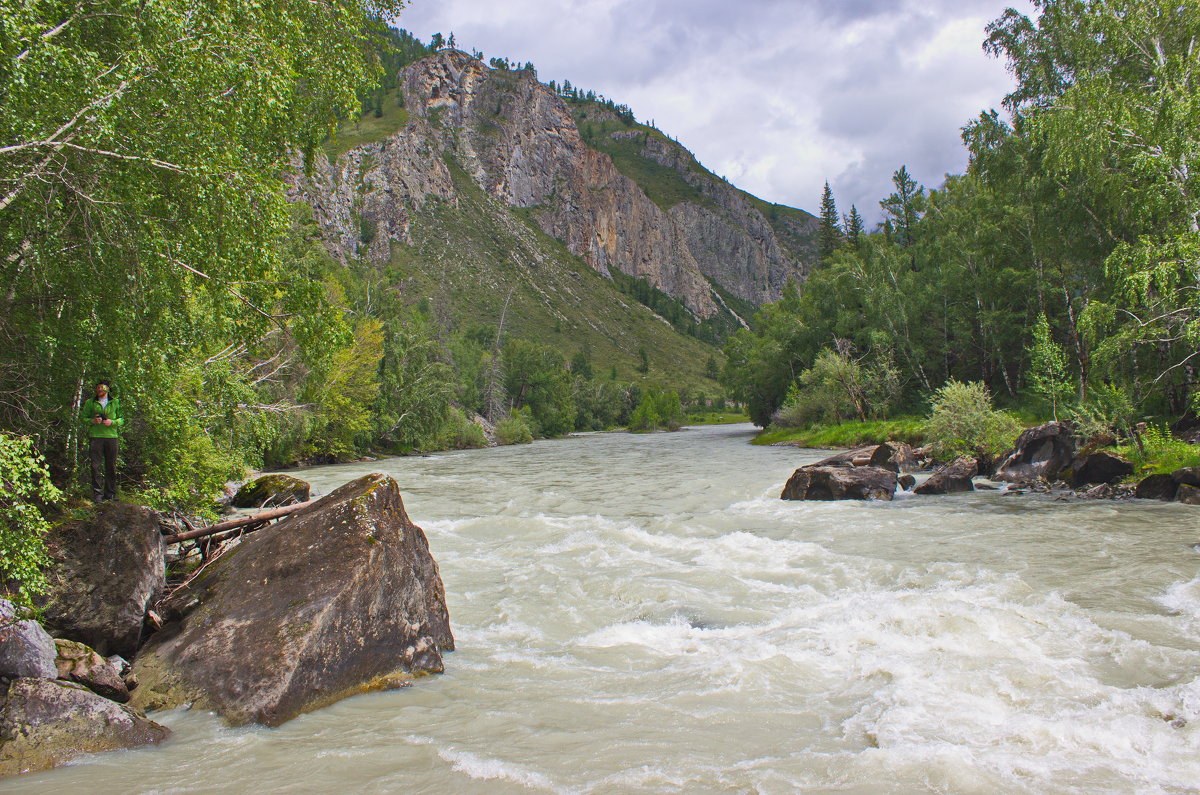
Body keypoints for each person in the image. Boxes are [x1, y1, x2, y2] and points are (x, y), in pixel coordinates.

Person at [80, 379, 124, 502]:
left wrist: (112, 422)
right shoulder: (91, 402)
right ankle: (97, 494)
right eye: (98, 388)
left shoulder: (115, 402)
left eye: (102, 387)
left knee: (111, 466)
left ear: (107, 389)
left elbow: (122, 419)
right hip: (96, 436)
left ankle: (110, 493)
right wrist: (92, 421)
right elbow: (83, 418)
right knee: (95, 466)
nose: (99, 390)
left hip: (111, 437)